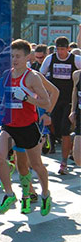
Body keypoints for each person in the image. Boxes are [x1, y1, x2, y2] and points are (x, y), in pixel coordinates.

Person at [0, 39, 52, 216]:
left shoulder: (32, 77)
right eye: (12, 56)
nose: (14, 59)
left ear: (28, 57)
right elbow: (6, 99)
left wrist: (27, 98)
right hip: (9, 126)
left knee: (35, 164)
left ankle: (45, 194)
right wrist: (2, 107)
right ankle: (9, 194)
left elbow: (46, 101)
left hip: (28, 127)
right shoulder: (7, 75)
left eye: (18, 56)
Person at [39, 36, 81, 174]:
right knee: (55, 130)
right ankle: (71, 143)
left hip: (69, 100)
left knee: (64, 129)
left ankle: (63, 162)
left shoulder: (75, 60)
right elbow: (40, 75)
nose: (60, 52)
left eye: (63, 49)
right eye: (58, 49)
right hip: (54, 100)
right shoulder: (50, 59)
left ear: (68, 49)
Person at [69, 68, 81, 166]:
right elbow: (75, 92)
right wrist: (72, 110)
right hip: (80, 117)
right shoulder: (77, 74)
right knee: (78, 158)